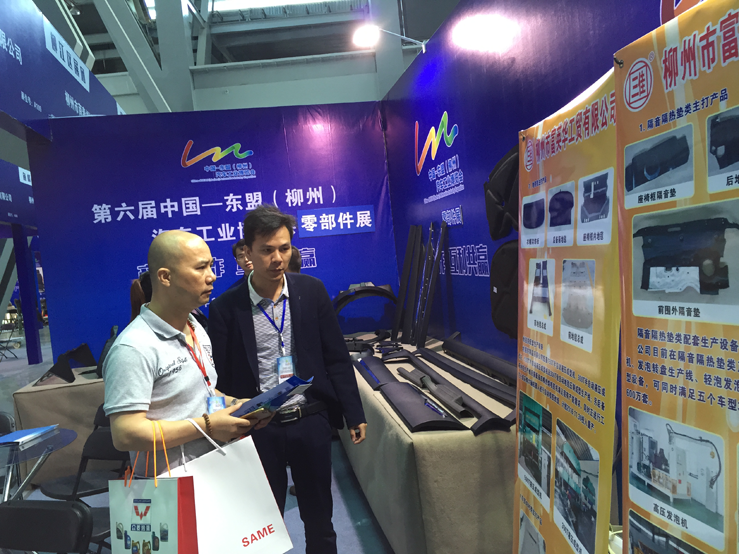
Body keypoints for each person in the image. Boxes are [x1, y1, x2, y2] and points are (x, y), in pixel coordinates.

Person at [208, 205, 367, 554]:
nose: (277, 258)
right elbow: (220, 377)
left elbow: (335, 357)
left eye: (284, 248)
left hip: (309, 420)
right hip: (257, 429)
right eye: (267, 250)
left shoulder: (312, 291)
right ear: (247, 252)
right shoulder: (226, 308)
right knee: (262, 525)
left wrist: (354, 412)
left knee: (320, 521)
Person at [104, 230, 269, 474]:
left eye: (211, 266)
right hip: (171, 484)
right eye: (201, 268)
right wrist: (207, 426)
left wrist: (238, 406)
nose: (212, 276)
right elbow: (125, 434)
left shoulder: (195, 327)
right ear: (165, 277)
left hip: (213, 470)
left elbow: (203, 391)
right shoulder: (134, 347)